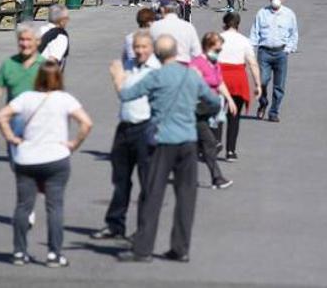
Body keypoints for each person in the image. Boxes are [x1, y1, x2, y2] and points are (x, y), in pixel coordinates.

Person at [116, 35, 221, 263]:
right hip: (187, 140)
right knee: (186, 197)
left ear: (156, 52)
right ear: (176, 52)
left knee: (153, 195)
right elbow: (214, 101)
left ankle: (143, 249)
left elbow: (126, 95)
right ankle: (180, 248)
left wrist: (118, 77)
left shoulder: (155, 76)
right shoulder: (191, 76)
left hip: (162, 140)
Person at [0, 60, 93, 268]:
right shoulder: (65, 99)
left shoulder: (26, 98)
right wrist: (74, 143)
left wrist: (12, 138)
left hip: (27, 158)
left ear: (38, 78)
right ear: (59, 78)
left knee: (23, 206)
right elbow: (86, 122)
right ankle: (54, 254)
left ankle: (19, 252)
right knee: (54, 207)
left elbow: (1, 116)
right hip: (56, 157)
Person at [92, 31, 159, 244]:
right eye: (136, 47)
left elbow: (123, 91)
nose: (138, 51)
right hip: (125, 127)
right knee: (120, 179)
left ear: (152, 48)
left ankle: (143, 229)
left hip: (146, 128)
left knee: (147, 183)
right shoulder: (128, 65)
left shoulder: (156, 71)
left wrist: (117, 78)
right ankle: (115, 224)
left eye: (143, 47)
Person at [0, 23, 45, 145]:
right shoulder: (9, 64)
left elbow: (56, 95)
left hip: (39, 121)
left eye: (29, 40)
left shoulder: (46, 66)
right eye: (21, 40)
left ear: (38, 41)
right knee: (18, 160)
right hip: (14, 121)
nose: (24, 44)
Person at [189, 33, 237, 189]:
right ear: (207, 47)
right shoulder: (197, 63)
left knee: (199, 145)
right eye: (217, 49)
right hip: (197, 110)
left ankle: (191, 177)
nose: (219, 52)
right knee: (208, 143)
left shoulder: (214, 62)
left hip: (210, 110)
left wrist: (229, 99)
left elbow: (220, 82)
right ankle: (216, 178)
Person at [250, 0, 298, 122]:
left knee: (279, 86)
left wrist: (288, 49)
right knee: (262, 81)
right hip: (264, 52)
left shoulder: (289, 14)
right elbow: (255, 32)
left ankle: (274, 112)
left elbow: (294, 34)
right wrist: (250, 50)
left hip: (280, 53)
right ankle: (263, 103)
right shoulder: (262, 13)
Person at [218, 13, 261, 161]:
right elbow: (252, 63)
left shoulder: (218, 38)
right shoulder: (244, 41)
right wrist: (258, 84)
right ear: (238, 24)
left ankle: (216, 141)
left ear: (224, 23)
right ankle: (231, 151)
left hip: (220, 77)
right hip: (238, 78)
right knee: (234, 116)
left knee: (217, 112)